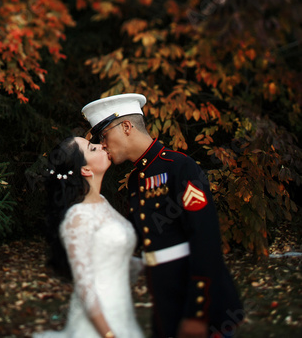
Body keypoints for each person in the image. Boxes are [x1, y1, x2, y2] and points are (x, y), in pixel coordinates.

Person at [81, 93, 244, 338]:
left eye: (104, 136)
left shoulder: (179, 167)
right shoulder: (137, 179)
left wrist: (197, 314)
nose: (102, 144)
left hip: (202, 307)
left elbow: (205, 241)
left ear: (126, 127)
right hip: (167, 303)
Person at [34, 136, 145, 338]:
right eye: (93, 149)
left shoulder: (102, 202)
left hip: (123, 313)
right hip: (97, 325)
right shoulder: (78, 218)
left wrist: (154, 264)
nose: (102, 146)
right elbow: (85, 286)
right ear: (85, 170)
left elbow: (112, 260)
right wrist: (109, 334)